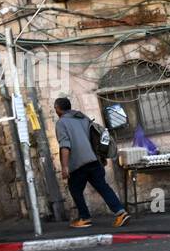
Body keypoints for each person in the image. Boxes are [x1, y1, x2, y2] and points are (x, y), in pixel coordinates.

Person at [53, 97, 130, 229]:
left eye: (55, 108)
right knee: (103, 187)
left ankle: (85, 217)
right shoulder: (82, 117)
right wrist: (101, 157)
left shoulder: (61, 123)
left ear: (58, 108)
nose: (55, 110)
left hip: (78, 164)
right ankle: (120, 212)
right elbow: (95, 137)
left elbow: (65, 145)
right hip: (94, 160)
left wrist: (65, 166)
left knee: (75, 190)